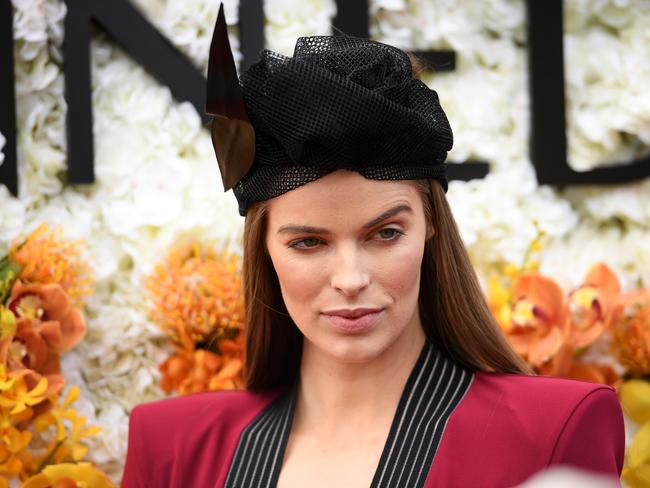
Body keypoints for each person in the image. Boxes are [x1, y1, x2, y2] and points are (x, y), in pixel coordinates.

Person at [121, 4, 625, 487]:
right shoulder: (171, 446)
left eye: (385, 234)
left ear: (430, 225)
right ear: (265, 250)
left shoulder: (552, 431)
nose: (350, 278)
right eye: (309, 243)